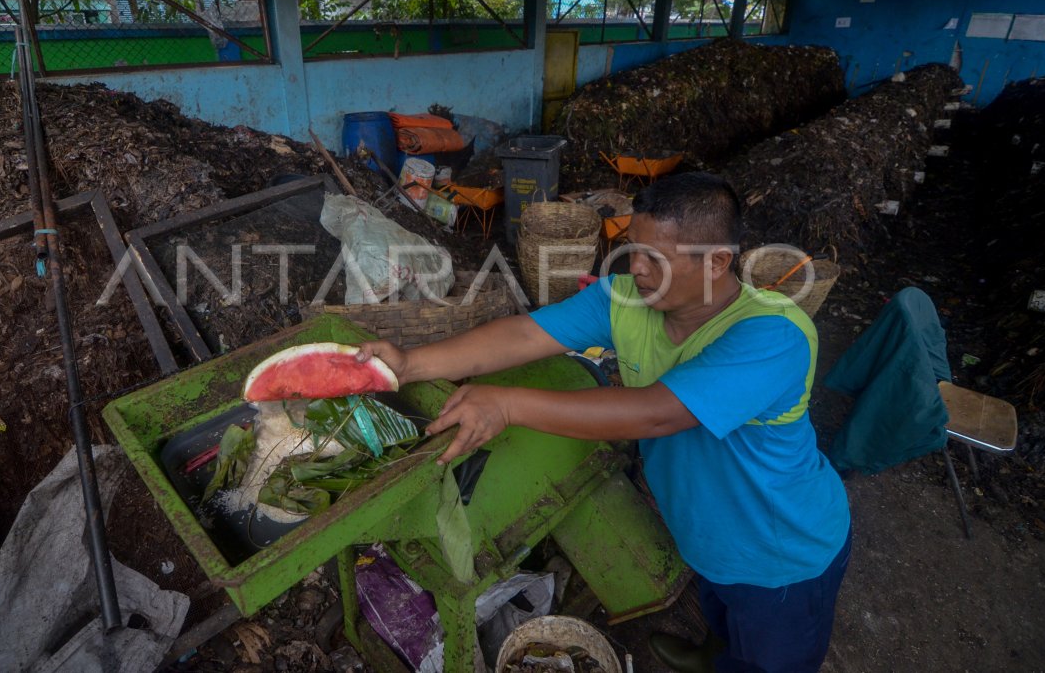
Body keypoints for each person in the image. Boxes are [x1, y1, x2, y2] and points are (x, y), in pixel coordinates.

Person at [357, 172, 851, 673]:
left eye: (655, 258)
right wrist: (410, 364)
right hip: (707, 537)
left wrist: (507, 404)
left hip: (779, 556)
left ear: (717, 262)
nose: (636, 268)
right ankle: (711, 654)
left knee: (764, 656)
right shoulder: (626, 299)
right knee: (721, 616)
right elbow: (527, 335)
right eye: (632, 248)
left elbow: (658, 413)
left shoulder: (774, 333)